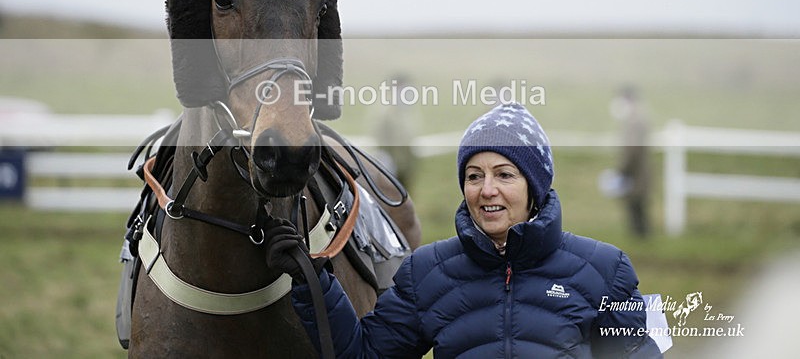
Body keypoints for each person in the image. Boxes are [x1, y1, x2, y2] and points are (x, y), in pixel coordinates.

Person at [265, 103, 662, 358]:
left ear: (534, 187)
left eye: (505, 174)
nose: (486, 189)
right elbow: (364, 354)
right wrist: (313, 280)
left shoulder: (607, 270)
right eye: (474, 176)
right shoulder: (427, 272)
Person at [610, 86, 652, 238]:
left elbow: (632, 150)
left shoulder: (634, 122)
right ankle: (642, 238)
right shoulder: (636, 119)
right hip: (637, 171)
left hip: (635, 172)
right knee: (637, 206)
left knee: (636, 207)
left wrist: (622, 169)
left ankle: (641, 238)